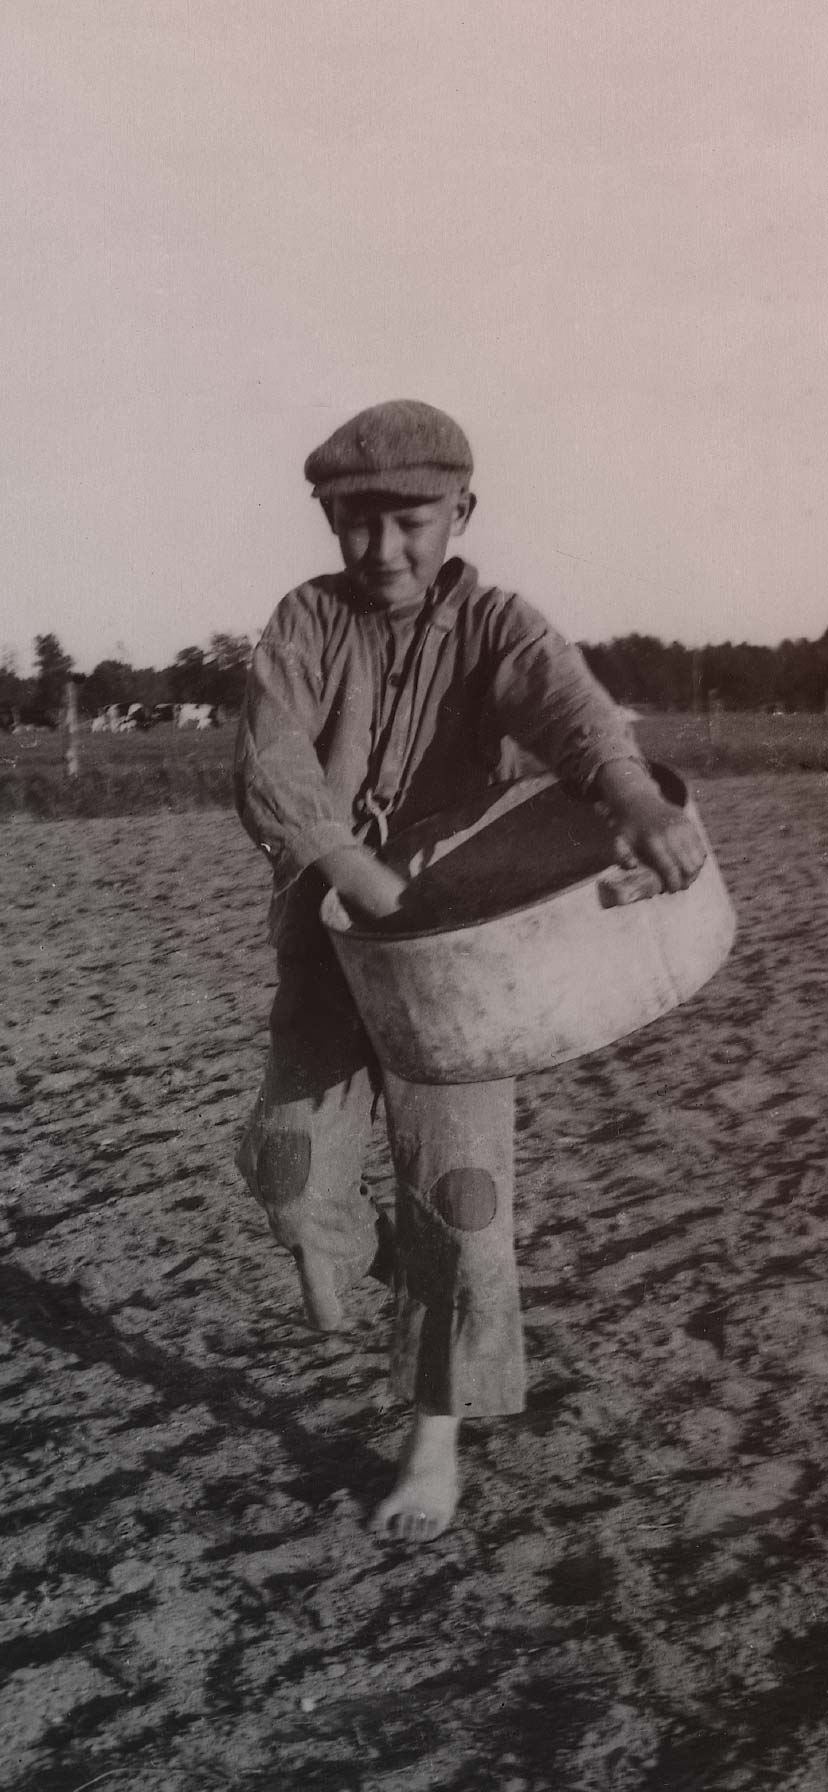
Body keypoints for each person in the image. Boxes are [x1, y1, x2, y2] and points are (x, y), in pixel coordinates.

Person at [234, 399, 705, 1543]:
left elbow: (576, 716)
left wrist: (634, 797)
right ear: (331, 523)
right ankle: (381, 1256)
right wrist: (350, 865)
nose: (383, 549)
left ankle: (432, 1439)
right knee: (293, 1172)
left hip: (460, 972)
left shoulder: (498, 627)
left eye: (411, 521)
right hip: (329, 947)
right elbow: (268, 760)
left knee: (461, 1197)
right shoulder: (304, 624)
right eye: (355, 522)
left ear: (462, 512)